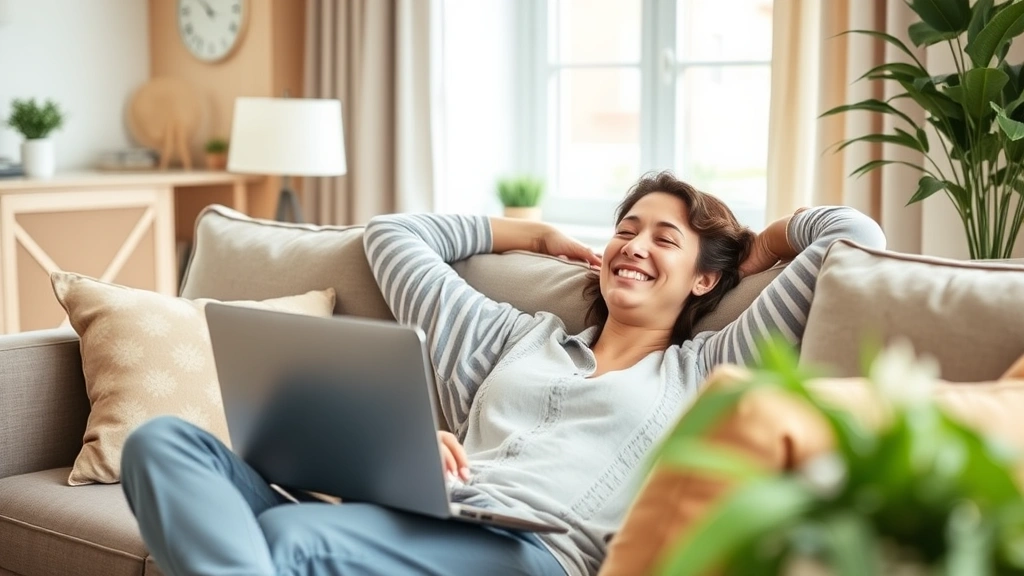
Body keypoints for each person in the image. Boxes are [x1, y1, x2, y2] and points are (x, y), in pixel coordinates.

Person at [120, 170, 885, 576]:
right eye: (625, 229)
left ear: (702, 281)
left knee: (290, 537)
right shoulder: (510, 337)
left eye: (664, 239)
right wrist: (529, 231)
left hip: (533, 553)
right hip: (425, 508)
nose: (634, 246)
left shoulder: (709, 369)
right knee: (161, 444)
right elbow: (394, 236)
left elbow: (848, 234)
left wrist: (753, 249)